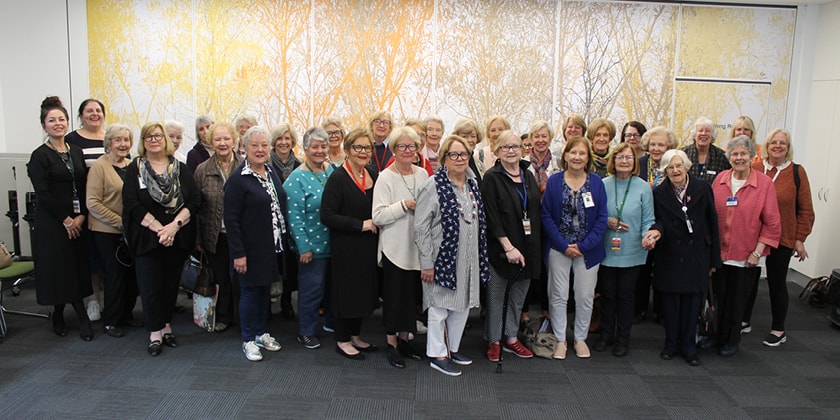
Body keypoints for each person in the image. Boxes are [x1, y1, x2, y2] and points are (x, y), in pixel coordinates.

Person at [123, 122, 200, 357]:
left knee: (169, 285)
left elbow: (194, 201)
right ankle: (154, 332)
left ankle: (166, 324)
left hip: (176, 237)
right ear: (143, 141)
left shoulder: (181, 168)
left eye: (158, 136)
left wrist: (172, 228)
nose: (154, 140)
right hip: (147, 237)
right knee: (150, 286)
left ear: (165, 139)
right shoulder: (134, 168)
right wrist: (160, 229)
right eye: (148, 136)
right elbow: (131, 203)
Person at [415, 135, 489, 376]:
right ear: (444, 158)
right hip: (441, 259)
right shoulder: (432, 185)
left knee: (463, 305)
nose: (460, 159)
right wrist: (427, 263)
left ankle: (452, 348)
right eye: (454, 155)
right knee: (439, 308)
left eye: (464, 154)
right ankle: (437, 353)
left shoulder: (472, 184)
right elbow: (421, 227)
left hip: (468, 259)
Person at [704, 135, 781, 357]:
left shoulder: (763, 184)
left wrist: (757, 252)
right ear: (729, 157)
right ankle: (716, 336)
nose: (739, 158)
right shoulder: (719, 180)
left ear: (751, 156)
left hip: (746, 255)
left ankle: (731, 340)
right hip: (720, 254)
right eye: (735, 154)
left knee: (737, 301)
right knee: (718, 297)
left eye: (743, 154)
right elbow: (710, 217)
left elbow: (773, 223)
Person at [645, 149, 720, 366]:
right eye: (670, 167)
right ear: (665, 170)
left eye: (678, 166)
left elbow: (712, 223)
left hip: (697, 256)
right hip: (669, 256)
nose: (675, 170)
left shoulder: (702, 188)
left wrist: (714, 260)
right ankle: (670, 345)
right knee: (670, 306)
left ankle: (689, 347)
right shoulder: (659, 193)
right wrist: (655, 232)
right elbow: (657, 220)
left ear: (686, 166)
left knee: (691, 306)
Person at [28, 96, 93, 341]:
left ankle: (58, 313)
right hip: (53, 222)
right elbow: (42, 193)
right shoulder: (39, 156)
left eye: (61, 119)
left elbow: (84, 185)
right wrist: (66, 220)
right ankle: (81, 316)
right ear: (44, 125)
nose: (58, 124)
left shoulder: (76, 151)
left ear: (67, 122)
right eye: (52, 120)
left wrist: (81, 217)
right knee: (60, 269)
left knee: (76, 267)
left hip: (77, 219)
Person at [743, 129, 815, 346]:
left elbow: (806, 209)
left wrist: (800, 238)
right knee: (749, 281)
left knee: (776, 282)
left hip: (782, 237)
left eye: (782, 143)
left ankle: (778, 329)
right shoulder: (754, 168)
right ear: (766, 145)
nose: (777, 146)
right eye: (773, 142)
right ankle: (744, 320)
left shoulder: (796, 172)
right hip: (753, 238)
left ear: (788, 146)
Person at [541, 136, 608, 360]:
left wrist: (583, 245)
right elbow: (546, 215)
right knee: (558, 295)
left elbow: (601, 218)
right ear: (566, 156)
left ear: (587, 158)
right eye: (573, 152)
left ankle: (580, 339)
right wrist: (563, 245)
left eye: (582, 153)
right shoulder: (554, 181)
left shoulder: (596, 182)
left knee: (585, 296)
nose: (577, 157)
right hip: (559, 248)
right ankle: (561, 340)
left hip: (588, 250)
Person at [224, 126, 286, 361]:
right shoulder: (237, 181)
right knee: (250, 293)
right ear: (244, 148)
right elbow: (231, 221)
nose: (260, 150)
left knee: (264, 293)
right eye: (254, 145)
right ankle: (248, 339)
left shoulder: (270, 172)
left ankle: (261, 333)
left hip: (270, 247)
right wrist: (238, 254)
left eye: (264, 145)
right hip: (248, 250)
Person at [480, 130, 541, 362]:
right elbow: (491, 217)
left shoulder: (528, 175)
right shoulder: (492, 177)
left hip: (527, 248)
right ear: (496, 151)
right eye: (505, 147)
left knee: (517, 298)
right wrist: (507, 247)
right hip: (501, 249)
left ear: (522, 150)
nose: (511, 151)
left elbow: (534, 212)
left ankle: (511, 338)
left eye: (515, 146)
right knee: (496, 298)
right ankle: (494, 340)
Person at [373, 126, 430, 368]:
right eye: (402, 146)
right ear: (394, 150)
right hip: (394, 248)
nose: (407, 151)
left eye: (412, 146)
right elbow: (378, 216)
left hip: (417, 247)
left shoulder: (422, 175)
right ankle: (392, 344)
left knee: (411, 297)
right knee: (395, 298)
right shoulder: (386, 176)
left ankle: (406, 340)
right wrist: (405, 205)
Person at [321, 127, 380, 360]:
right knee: (346, 294)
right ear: (347, 150)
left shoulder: (373, 173)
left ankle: (355, 336)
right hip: (346, 246)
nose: (363, 151)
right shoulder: (338, 178)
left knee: (362, 293)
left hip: (368, 246)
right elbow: (326, 215)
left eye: (367, 147)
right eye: (358, 147)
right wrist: (359, 224)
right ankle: (343, 340)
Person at [595, 143, 654, 357]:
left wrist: (649, 235)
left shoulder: (643, 187)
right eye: (620, 157)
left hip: (633, 251)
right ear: (613, 160)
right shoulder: (602, 184)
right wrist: (608, 221)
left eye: (629, 157)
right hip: (607, 250)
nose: (624, 161)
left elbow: (648, 219)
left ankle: (623, 338)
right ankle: (606, 334)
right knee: (608, 294)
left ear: (635, 162)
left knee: (626, 296)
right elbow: (596, 216)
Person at [284, 127, 334, 350]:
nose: (320, 150)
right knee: (311, 290)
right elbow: (294, 218)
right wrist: (304, 247)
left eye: (323, 146)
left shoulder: (331, 170)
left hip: (334, 243)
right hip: (311, 248)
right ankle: (306, 331)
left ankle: (330, 324)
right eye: (315, 146)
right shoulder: (296, 179)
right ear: (305, 148)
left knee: (332, 289)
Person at [86, 124, 138, 338]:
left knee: (132, 275)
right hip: (106, 231)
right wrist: (121, 222)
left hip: (131, 231)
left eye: (126, 140)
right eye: (117, 140)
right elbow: (92, 203)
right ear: (108, 143)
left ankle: (126, 314)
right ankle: (112, 321)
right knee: (115, 275)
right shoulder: (100, 167)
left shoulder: (132, 165)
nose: (123, 144)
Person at [194, 122, 242, 333]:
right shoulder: (202, 170)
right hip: (214, 235)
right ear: (210, 142)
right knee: (222, 278)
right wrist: (197, 239)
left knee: (240, 278)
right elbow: (195, 207)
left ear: (234, 140)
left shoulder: (245, 166)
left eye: (226, 139)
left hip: (240, 234)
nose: (222, 143)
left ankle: (243, 317)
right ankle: (223, 316)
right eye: (217, 139)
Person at [64, 98, 107, 322]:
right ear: (81, 115)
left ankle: (114, 303)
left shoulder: (110, 137)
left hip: (111, 208)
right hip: (85, 206)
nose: (94, 114)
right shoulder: (72, 140)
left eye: (98, 110)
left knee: (108, 257)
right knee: (91, 258)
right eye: (89, 111)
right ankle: (93, 301)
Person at [634, 125, 677, 323]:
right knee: (642, 267)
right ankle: (639, 307)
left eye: (661, 144)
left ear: (669, 146)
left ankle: (661, 310)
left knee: (664, 267)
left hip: (667, 221)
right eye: (653, 144)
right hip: (642, 221)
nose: (656, 148)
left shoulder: (673, 165)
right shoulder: (639, 164)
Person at [269, 123, 301, 320]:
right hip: (270, 223)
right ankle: (266, 304)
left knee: (290, 265)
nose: (283, 142)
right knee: (272, 264)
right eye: (279, 138)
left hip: (292, 221)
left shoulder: (299, 165)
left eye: (287, 138)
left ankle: (287, 301)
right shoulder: (265, 164)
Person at [682, 116, 730, 184]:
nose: (703, 133)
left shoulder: (722, 157)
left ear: (712, 135)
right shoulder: (683, 154)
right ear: (695, 134)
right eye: (700, 130)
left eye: (707, 131)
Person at [527, 120, 557, 196]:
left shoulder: (559, 163)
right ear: (531, 139)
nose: (540, 140)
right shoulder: (522, 164)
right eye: (536, 137)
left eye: (544, 136)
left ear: (550, 139)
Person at [452, 118, 485, 184]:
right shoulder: (451, 161)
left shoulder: (479, 164)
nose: (470, 140)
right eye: (465, 136)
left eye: (473, 136)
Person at [367, 110, 394, 177]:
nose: (381, 125)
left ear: (390, 127)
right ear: (371, 125)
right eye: (377, 121)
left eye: (385, 122)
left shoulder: (394, 147)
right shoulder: (365, 145)